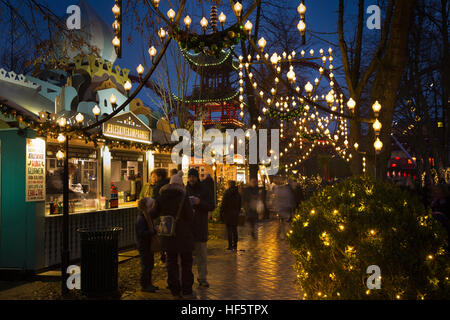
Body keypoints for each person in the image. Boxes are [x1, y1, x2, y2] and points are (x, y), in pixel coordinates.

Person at [151, 171, 196, 299]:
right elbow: (190, 217)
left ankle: (175, 291)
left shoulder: (161, 197)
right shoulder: (183, 197)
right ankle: (187, 291)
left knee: (171, 262)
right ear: (180, 184)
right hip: (184, 235)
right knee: (187, 262)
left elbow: (154, 213)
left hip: (168, 234)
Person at [186, 168, 215, 288]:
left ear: (197, 177)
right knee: (187, 256)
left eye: (193, 177)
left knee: (201, 255)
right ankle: (187, 279)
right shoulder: (185, 189)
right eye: (190, 177)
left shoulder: (204, 190)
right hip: (187, 228)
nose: (191, 179)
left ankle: (202, 278)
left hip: (200, 226)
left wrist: (199, 202)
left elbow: (211, 206)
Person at [136, 197, 158, 292]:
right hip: (144, 245)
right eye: (151, 206)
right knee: (146, 265)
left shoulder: (146, 216)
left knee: (149, 265)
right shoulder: (142, 218)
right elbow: (142, 233)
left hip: (147, 245)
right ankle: (145, 285)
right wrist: (153, 231)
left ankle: (148, 283)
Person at [220, 181, 242, 250]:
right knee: (234, 229)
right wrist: (237, 211)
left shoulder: (227, 193)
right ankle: (235, 245)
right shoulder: (238, 194)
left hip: (228, 213)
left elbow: (223, 204)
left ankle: (230, 246)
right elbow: (240, 204)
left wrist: (222, 212)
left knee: (229, 230)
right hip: (235, 214)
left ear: (229, 185)